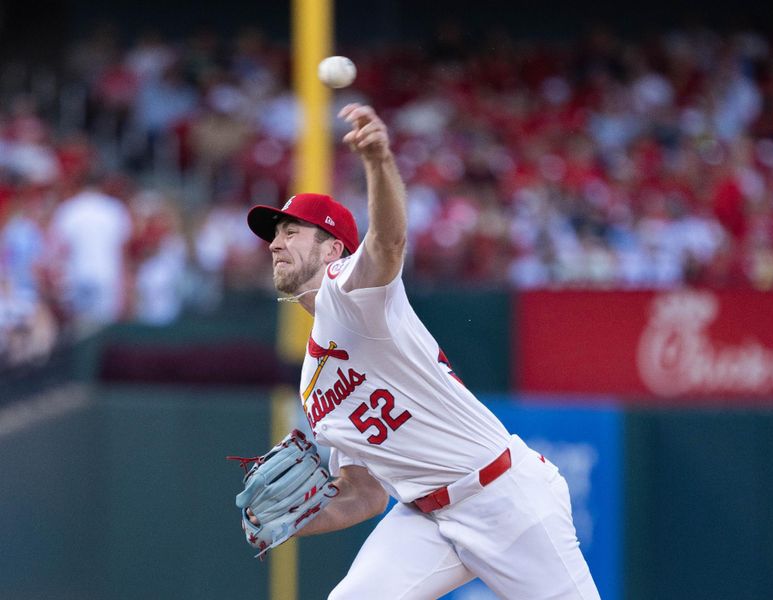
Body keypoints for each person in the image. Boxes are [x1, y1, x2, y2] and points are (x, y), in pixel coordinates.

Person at [245, 103, 600, 599]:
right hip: (426, 520)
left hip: (503, 496)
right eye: (274, 235)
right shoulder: (312, 380)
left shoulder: (348, 291)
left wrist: (378, 161)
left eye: (291, 232)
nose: (275, 245)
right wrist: (297, 518)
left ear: (333, 250)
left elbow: (388, 243)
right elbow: (364, 494)